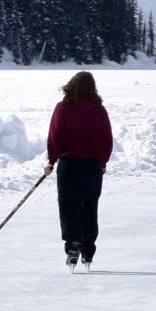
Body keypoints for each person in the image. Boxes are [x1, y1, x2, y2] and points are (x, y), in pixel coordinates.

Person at [48, 70, 114, 271]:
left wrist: (51, 161)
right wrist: (102, 162)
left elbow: (55, 135)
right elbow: (107, 139)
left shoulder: (63, 108)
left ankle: (73, 245)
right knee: (89, 207)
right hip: (92, 167)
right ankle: (88, 250)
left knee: (68, 206)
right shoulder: (99, 110)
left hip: (68, 165)